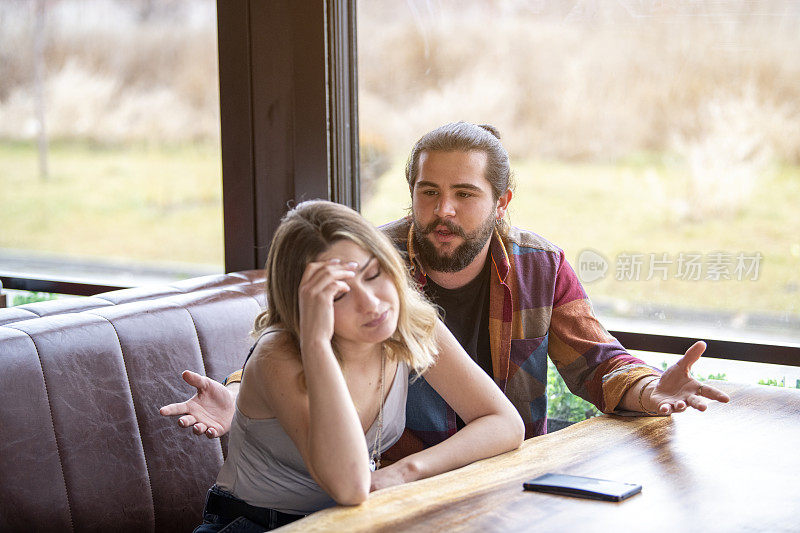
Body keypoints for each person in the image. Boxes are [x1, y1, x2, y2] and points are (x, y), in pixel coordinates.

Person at [162, 122, 729, 467]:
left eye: (465, 193)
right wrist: (241, 398)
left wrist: (651, 388)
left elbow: (596, 362)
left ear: (502, 202)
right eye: (428, 192)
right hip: (394, 481)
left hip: (503, 475)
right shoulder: (372, 260)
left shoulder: (541, 266)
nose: (443, 211)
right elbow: (289, 337)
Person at [181, 200, 523, 531]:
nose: (372, 304)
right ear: (306, 305)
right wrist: (316, 342)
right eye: (340, 294)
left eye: (374, 274)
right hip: (256, 524)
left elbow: (505, 423)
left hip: (354, 521)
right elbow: (351, 487)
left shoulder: (411, 321)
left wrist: (407, 471)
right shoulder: (280, 355)